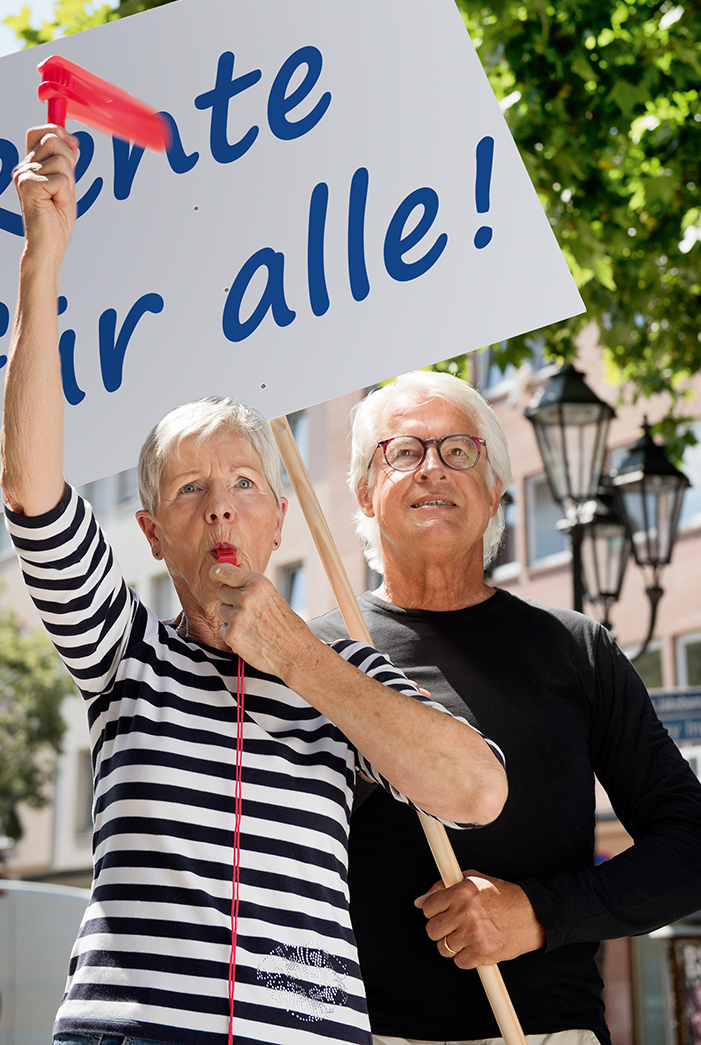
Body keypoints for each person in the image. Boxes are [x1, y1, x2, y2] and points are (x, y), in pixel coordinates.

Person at [0, 123, 508, 1045]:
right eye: (188, 491)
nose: (220, 510)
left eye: (242, 484)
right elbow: (31, 491)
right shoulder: (122, 652)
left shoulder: (343, 671)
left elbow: (475, 791)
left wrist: (298, 660)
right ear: (153, 534)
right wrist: (43, 257)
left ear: (278, 519)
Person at [311, 370, 701, 1045]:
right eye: (403, 451)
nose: (433, 467)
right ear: (364, 492)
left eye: (459, 450)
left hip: (546, 1032)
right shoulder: (311, 658)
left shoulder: (575, 649)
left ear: (494, 490)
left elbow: (689, 847)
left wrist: (540, 912)